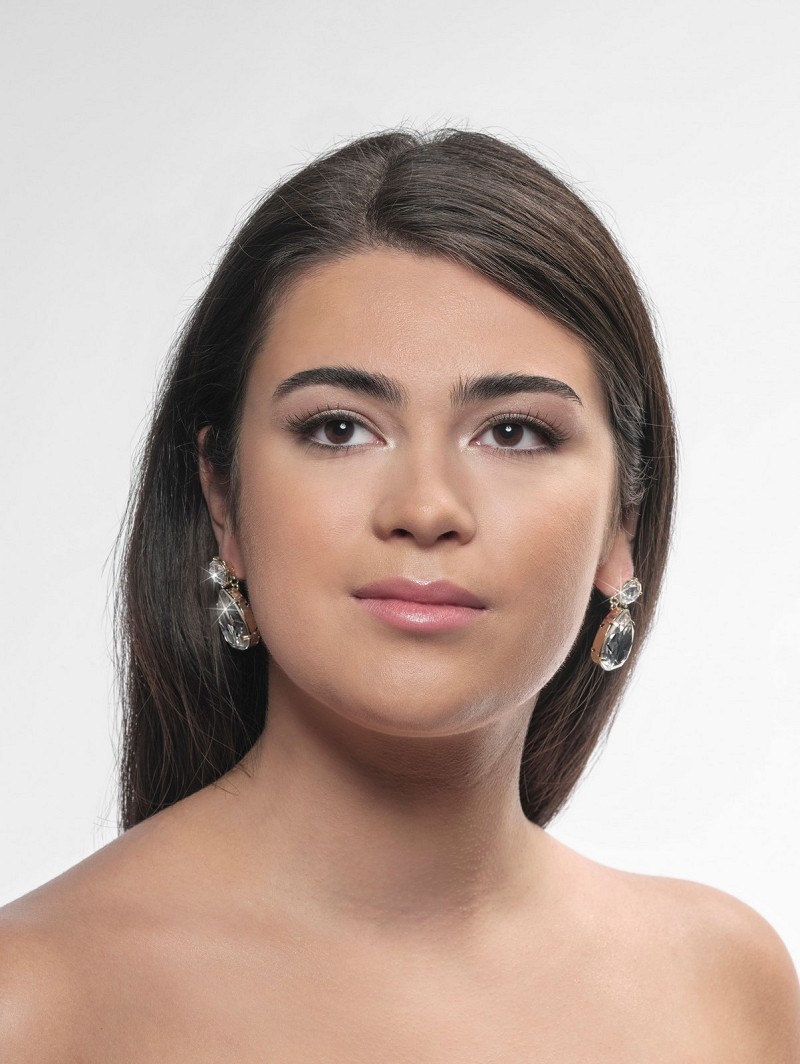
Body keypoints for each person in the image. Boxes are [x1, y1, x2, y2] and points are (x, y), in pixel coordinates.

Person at [1, 127, 798, 1060]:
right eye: (339, 429)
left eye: (514, 433)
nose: (426, 509)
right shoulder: (37, 1004)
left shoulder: (723, 991)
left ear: (624, 520)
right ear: (222, 497)